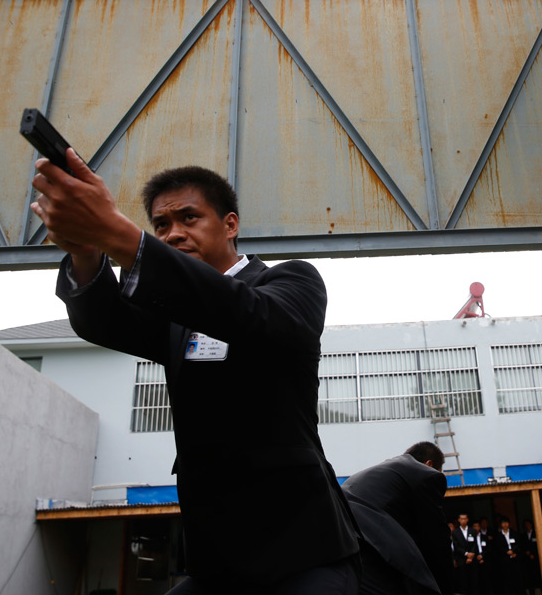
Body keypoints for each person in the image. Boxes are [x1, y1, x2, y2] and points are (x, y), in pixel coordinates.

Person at [30, 155, 360, 594]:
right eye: (160, 225)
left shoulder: (291, 283)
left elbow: (245, 314)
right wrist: (86, 249)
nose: (173, 233)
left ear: (230, 224)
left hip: (303, 549)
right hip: (217, 557)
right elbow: (104, 322)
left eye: (189, 217)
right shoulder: (172, 317)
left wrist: (116, 232)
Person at [341, 442, 453, 595]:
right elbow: (436, 538)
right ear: (429, 464)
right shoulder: (427, 474)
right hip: (370, 544)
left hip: (342, 542)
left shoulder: (384, 472)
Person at [491, 517, 522, 595]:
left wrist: (514, 552)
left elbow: (519, 544)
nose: (505, 524)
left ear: (509, 523)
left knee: (517, 578)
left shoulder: (514, 533)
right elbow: (497, 547)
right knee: (507, 579)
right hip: (504, 560)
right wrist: (506, 552)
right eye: (503, 523)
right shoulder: (498, 535)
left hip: (515, 559)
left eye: (506, 523)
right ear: (501, 524)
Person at [451, 513, 479, 593]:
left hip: (472, 560)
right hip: (462, 560)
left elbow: (474, 544)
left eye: (465, 519)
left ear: (467, 520)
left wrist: (471, 555)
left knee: (474, 581)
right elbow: (456, 547)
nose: (463, 520)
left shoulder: (472, 531)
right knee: (463, 582)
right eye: (461, 519)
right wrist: (466, 554)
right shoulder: (455, 532)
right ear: (459, 520)